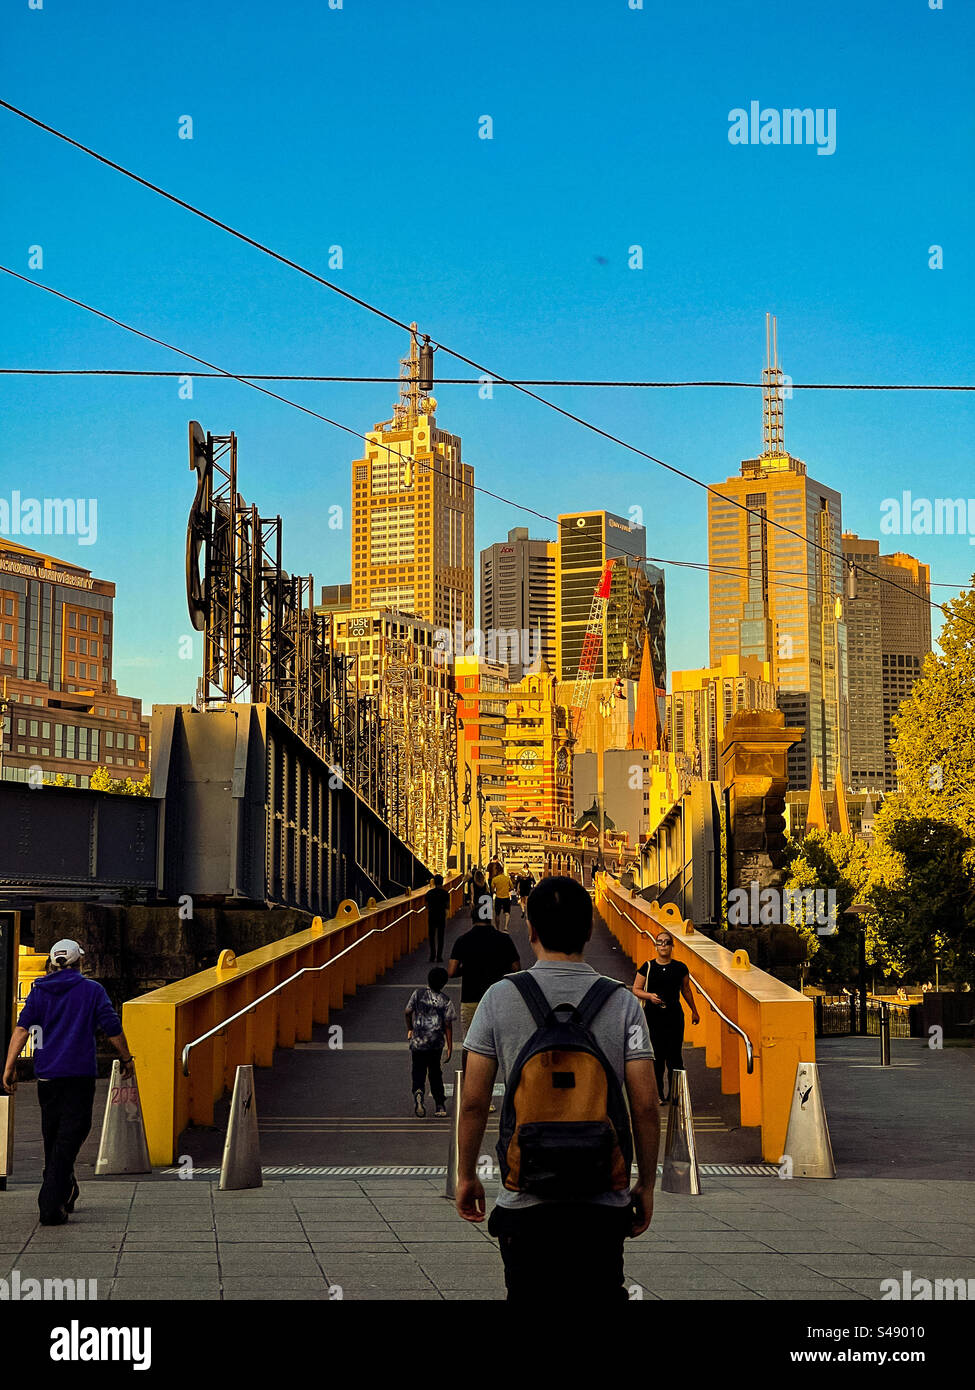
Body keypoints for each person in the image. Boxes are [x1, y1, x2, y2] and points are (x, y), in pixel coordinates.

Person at [455, 877, 659, 1304]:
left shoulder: (498, 998)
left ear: (529, 932)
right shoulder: (622, 1002)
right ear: (589, 930)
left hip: (526, 1198)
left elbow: (474, 1102)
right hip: (602, 1196)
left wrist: (467, 1174)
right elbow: (645, 1105)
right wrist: (644, 1183)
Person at [2, 939, 135, 1226]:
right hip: (79, 1074)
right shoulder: (92, 990)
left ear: (51, 963)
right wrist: (126, 1058)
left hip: (47, 1075)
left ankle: (65, 1186)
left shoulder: (39, 991)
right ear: (80, 963)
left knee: (54, 1135)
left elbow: (22, 1028)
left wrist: (9, 1066)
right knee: (73, 1132)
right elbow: (112, 1027)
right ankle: (51, 1201)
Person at [632, 931, 700, 1103]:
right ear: (655, 946)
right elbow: (636, 989)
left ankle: (676, 1094)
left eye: (667, 942)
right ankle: (658, 1094)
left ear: (672, 946)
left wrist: (694, 1010)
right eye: (659, 942)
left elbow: (686, 990)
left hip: (674, 1016)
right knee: (656, 1056)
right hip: (653, 1016)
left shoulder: (680, 967)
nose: (663, 945)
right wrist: (649, 997)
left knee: (675, 1056)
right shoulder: (647, 967)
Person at [405, 966, 455, 1118]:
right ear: (444, 983)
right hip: (435, 1043)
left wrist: (410, 1028)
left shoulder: (417, 994)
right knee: (435, 1072)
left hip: (418, 1042)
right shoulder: (446, 1001)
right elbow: (448, 1025)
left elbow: (407, 1012)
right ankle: (440, 1104)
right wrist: (450, 1047)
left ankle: (418, 1091)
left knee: (418, 1069)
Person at [425, 873, 451, 963]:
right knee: (441, 936)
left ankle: (432, 955)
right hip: (441, 916)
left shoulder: (429, 893)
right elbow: (447, 906)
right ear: (442, 882)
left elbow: (426, 906)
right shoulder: (445, 893)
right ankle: (439, 956)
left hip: (432, 916)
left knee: (431, 936)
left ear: (434, 882)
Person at [490, 865, 514, 932]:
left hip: (498, 898)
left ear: (497, 871)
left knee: (497, 914)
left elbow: (492, 889)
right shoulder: (507, 878)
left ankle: (497, 929)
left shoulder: (494, 879)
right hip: (506, 897)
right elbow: (512, 887)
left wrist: (495, 891)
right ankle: (506, 927)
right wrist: (507, 890)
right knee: (507, 913)